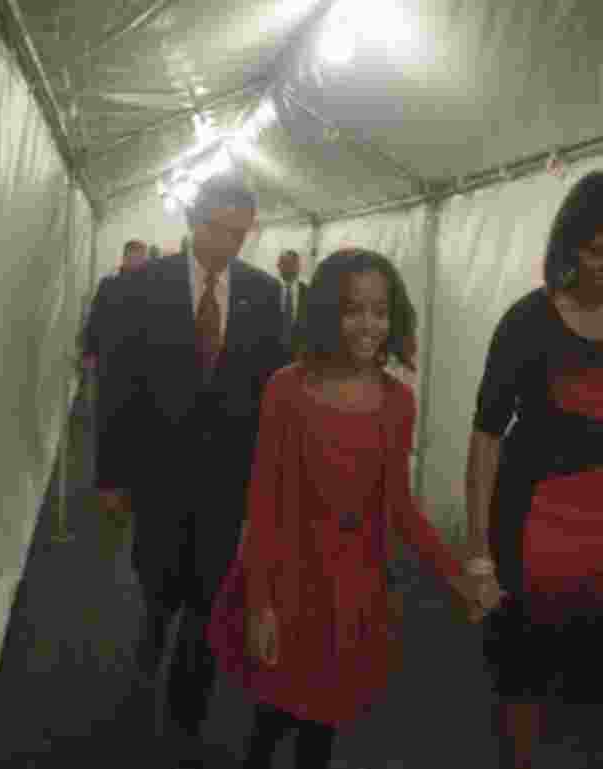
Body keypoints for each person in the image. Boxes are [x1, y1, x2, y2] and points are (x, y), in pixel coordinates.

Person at [205, 248, 505, 769]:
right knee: (270, 720)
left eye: (380, 310)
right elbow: (264, 505)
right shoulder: (286, 389)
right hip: (287, 580)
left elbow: (400, 509)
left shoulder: (397, 403)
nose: (369, 324)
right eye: (353, 309)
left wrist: (458, 578)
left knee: (322, 728)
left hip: (350, 591)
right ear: (326, 312)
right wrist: (260, 604)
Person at [465, 169, 603, 769]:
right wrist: (478, 552)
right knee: (520, 681)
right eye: (597, 250)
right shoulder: (528, 321)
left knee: (601, 687)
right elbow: (485, 438)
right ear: (570, 245)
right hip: (529, 528)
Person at [94, 173, 289, 769]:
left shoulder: (261, 293)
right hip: (157, 473)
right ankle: (143, 670)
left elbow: (271, 386)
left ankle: (186, 717)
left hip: (228, 477)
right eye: (218, 231)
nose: (227, 246)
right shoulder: (141, 287)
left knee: (210, 598)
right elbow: (117, 387)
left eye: (239, 234)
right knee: (159, 586)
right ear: (194, 221)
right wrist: (111, 477)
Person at [79, 238, 148, 376]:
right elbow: (95, 319)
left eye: (140, 258)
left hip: (139, 361)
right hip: (110, 358)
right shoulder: (108, 285)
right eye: (132, 257)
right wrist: (89, 353)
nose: (135, 262)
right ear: (124, 258)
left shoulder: (150, 288)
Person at [276, 249, 309, 361]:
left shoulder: (309, 293)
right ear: (278, 266)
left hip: (299, 355)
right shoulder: (268, 290)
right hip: (271, 352)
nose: (288, 268)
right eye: (284, 264)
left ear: (299, 267)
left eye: (292, 264)